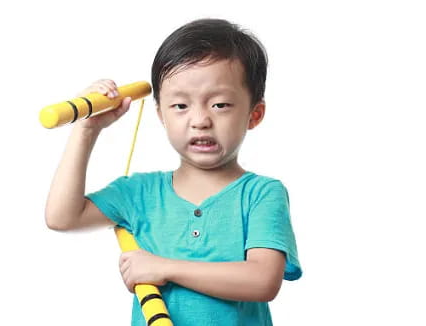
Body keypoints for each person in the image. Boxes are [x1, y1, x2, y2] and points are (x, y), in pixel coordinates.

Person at [44, 18, 302, 326]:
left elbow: (262, 280)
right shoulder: (140, 192)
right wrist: (86, 130)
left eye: (220, 105)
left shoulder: (261, 193)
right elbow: (62, 217)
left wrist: (162, 268)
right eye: (180, 106)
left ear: (254, 114)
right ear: (161, 115)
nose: (200, 120)